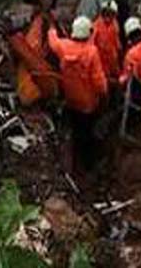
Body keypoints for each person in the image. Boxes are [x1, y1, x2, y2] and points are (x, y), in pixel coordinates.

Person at [48, 15, 109, 170]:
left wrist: (51, 29)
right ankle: (90, 163)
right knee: (89, 133)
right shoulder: (91, 52)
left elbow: (53, 42)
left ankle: (77, 161)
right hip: (89, 103)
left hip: (71, 100)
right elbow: (99, 82)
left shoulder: (63, 47)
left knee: (77, 131)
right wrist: (104, 94)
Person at [92, 1, 121, 85]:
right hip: (101, 63)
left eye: (111, 13)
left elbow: (117, 43)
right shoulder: (96, 27)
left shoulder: (115, 24)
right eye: (106, 13)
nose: (108, 16)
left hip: (113, 62)